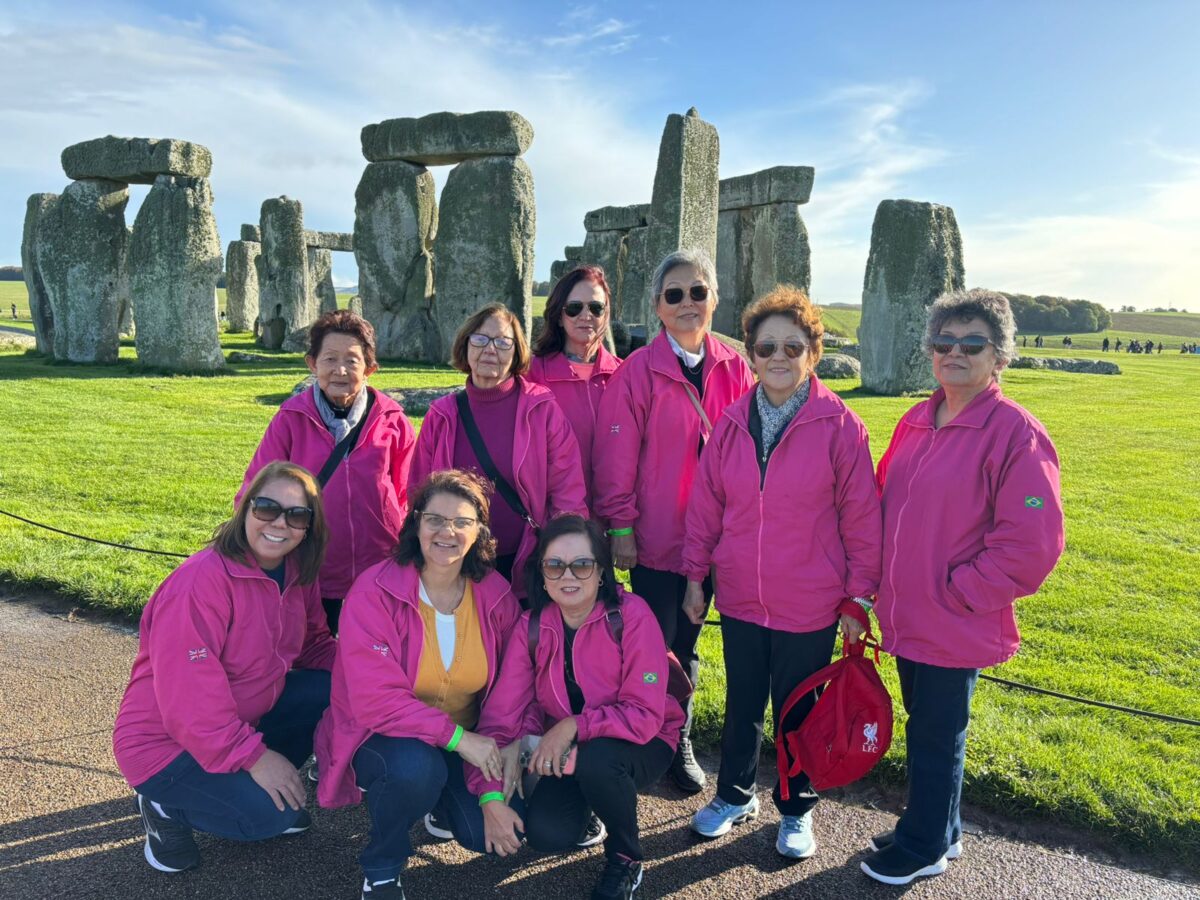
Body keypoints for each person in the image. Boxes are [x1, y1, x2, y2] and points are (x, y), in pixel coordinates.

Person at [861, 289, 1064, 886]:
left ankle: (921, 845)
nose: (954, 353)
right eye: (943, 343)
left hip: (953, 615)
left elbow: (1034, 542)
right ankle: (939, 830)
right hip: (909, 611)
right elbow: (883, 498)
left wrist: (962, 592)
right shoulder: (918, 418)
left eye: (971, 344)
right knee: (927, 725)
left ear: (999, 356)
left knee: (935, 735)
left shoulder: (1015, 433)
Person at [680, 286, 883, 858]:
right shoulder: (731, 421)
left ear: (812, 354)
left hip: (810, 600)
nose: (778, 357)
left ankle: (796, 808)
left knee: (799, 710)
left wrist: (858, 598)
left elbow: (861, 519)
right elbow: (707, 507)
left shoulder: (840, 425)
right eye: (767, 345)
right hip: (743, 594)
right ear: (750, 352)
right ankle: (736, 795)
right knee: (744, 702)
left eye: (793, 347)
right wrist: (696, 576)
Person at [113, 461, 336, 873]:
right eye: (267, 508)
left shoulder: (299, 572)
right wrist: (254, 758)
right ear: (246, 508)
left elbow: (315, 647)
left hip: (240, 716)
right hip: (163, 744)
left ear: (309, 526)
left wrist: (380, 674)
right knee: (269, 818)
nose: (280, 524)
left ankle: (256, 787)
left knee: (331, 689)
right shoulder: (199, 583)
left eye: (297, 514)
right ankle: (162, 806)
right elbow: (190, 703)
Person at [314, 469, 523, 900]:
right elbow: (376, 702)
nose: (447, 532)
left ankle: (442, 804)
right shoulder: (374, 591)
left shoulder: (497, 596)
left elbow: (509, 696)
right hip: (380, 736)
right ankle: (383, 865)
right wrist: (462, 741)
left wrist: (490, 795)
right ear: (415, 524)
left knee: (481, 835)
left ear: (479, 532)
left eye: (462, 522)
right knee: (414, 770)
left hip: (463, 740)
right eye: (434, 519)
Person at [593, 247, 755, 794]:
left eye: (698, 291)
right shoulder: (638, 372)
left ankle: (675, 730)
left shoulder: (737, 366)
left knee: (695, 640)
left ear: (714, 298)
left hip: (722, 539)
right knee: (663, 644)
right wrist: (620, 528)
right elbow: (616, 460)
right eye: (675, 294)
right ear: (658, 307)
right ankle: (665, 739)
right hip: (660, 539)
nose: (688, 302)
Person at [472, 515, 684, 900]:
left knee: (600, 763)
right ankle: (594, 805)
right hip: (568, 749)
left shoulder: (632, 616)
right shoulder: (531, 627)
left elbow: (645, 715)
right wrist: (489, 794)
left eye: (582, 564)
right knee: (546, 834)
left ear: (601, 571)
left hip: (643, 741)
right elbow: (501, 715)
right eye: (555, 565)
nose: (568, 575)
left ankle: (626, 859)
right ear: (542, 573)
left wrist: (573, 725)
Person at [239, 310, 416, 635]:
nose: (340, 370)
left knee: (376, 655)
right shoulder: (291, 419)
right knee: (312, 656)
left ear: (370, 369)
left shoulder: (393, 420)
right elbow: (256, 487)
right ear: (312, 364)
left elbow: (409, 491)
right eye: (330, 359)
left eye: (352, 360)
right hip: (309, 566)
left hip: (379, 563)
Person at [410, 303, 587, 597]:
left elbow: (567, 486)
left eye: (503, 342)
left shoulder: (541, 409)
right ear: (465, 346)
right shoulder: (442, 415)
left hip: (527, 557)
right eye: (479, 339)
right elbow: (418, 488)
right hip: (458, 560)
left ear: (516, 352)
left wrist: (563, 548)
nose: (490, 349)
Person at [527, 265, 622, 513]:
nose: (586, 315)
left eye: (596, 307)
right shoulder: (532, 375)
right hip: (552, 520)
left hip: (614, 522)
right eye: (574, 308)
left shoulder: (626, 376)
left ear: (606, 314)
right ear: (559, 315)